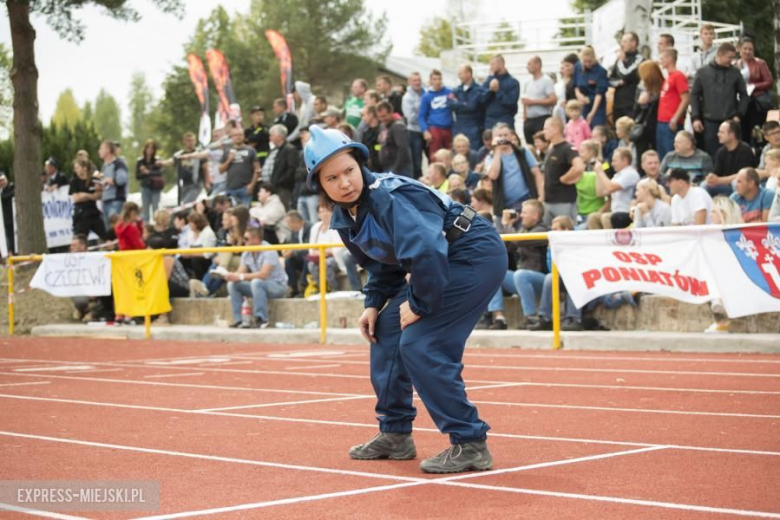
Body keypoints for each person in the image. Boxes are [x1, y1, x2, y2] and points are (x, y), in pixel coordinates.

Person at [303, 124, 506, 473]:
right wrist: (372, 303)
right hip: (437, 260)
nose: (345, 183)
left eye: (349, 171)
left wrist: (418, 305)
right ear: (320, 185)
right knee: (385, 331)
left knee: (422, 344)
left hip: (471, 252)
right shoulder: (344, 216)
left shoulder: (387, 196)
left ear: (361, 165)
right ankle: (395, 435)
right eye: (332, 178)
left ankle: (470, 441)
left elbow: (426, 252)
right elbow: (381, 264)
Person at [484, 200, 549, 330]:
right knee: (493, 271)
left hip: (542, 281)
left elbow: (519, 241)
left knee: (521, 274)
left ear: (535, 215)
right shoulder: (522, 230)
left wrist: (507, 225)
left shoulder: (543, 230)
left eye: (524, 212)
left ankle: (531, 316)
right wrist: (505, 226)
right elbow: (506, 247)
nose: (521, 215)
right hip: (520, 279)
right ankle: (499, 317)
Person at [691, 43, 749, 158]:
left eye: (733, 58)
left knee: (734, 154)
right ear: (720, 55)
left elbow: (744, 95)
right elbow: (694, 95)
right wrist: (696, 117)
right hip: (710, 121)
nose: (731, 61)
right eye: (729, 57)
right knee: (711, 155)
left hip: (730, 120)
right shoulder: (702, 72)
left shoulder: (735, 72)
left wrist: (739, 114)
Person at [226, 226, 288, 329]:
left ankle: (261, 319)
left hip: (277, 286)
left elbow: (264, 274)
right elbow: (240, 271)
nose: (244, 242)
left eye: (246, 239)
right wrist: (231, 276)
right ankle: (240, 320)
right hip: (259, 286)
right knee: (232, 284)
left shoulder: (268, 250)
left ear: (256, 239)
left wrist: (241, 276)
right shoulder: (247, 252)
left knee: (256, 282)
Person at [528, 215, 582, 331]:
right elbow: (551, 269)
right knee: (550, 277)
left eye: (556, 229)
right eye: (552, 229)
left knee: (573, 276)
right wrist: (550, 250)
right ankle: (544, 318)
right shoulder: (554, 244)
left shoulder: (579, 241)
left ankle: (574, 319)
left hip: (581, 279)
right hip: (564, 278)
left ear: (566, 230)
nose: (552, 232)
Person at [485, 123, 544, 220]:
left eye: (505, 135)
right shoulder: (490, 157)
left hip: (525, 201)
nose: (503, 138)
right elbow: (493, 175)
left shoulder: (523, 152)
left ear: (511, 136)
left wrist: (541, 197)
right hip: (503, 205)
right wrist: (497, 150)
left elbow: (537, 173)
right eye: (499, 136)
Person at [542, 117, 585, 225]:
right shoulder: (551, 148)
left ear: (556, 129)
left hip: (564, 200)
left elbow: (579, 166)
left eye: (546, 128)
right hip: (548, 200)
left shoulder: (567, 148)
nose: (544, 132)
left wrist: (565, 178)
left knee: (566, 232)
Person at [735, 36, 774, 146]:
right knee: (743, 130)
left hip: (756, 103)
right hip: (741, 103)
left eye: (750, 49)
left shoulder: (760, 63)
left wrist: (753, 86)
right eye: (745, 48)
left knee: (757, 131)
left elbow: (769, 82)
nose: (747, 51)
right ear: (739, 49)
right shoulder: (735, 65)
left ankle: (758, 151)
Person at [589, 148, 640, 229]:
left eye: (615, 160)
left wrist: (600, 172)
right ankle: (598, 241)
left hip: (627, 213)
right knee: (593, 217)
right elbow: (600, 193)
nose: (612, 164)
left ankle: (610, 241)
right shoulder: (617, 176)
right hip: (614, 212)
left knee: (606, 217)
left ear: (625, 160)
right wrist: (598, 173)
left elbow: (610, 188)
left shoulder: (631, 173)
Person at [705, 120, 755, 197]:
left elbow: (744, 174)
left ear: (732, 135)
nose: (718, 134)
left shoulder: (745, 150)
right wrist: (711, 176)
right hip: (725, 185)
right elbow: (717, 172)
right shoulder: (720, 151)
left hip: (741, 185)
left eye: (722, 132)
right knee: (704, 184)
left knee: (736, 183)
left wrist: (719, 180)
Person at [657, 49, 690, 160]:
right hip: (662, 121)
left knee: (671, 155)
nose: (660, 61)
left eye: (662, 58)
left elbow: (685, 98)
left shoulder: (678, 76)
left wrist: (675, 118)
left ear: (669, 59)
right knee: (663, 155)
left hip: (670, 122)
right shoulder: (668, 77)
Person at [448, 63, 486, 151]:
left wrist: (459, 103)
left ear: (469, 73)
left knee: (474, 154)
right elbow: (450, 104)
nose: (459, 76)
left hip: (474, 128)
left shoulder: (479, 89)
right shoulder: (456, 90)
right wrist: (464, 104)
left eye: (461, 73)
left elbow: (472, 106)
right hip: (459, 128)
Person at [418, 69, 453, 160]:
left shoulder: (449, 91)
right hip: (434, 128)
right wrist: (425, 130)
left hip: (448, 128)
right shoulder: (426, 96)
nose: (437, 81)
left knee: (450, 155)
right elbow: (421, 116)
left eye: (439, 79)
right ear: (430, 81)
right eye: (435, 79)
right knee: (435, 156)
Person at [521, 56, 557, 145]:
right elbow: (525, 102)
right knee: (530, 146)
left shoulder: (546, 81)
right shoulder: (527, 82)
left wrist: (533, 102)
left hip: (542, 118)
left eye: (530, 64)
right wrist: (525, 119)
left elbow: (553, 99)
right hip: (529, 120)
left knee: (544, 144)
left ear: (538, 65)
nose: (527, 66)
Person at [221, 126, 260, 207]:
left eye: (240, 135)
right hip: (230, 188)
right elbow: (220, 170)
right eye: (235, 135)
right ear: (231, 137)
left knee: (243, 213)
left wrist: (252, 185)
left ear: (244, 136)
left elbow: (257, 169)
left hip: (245, 188)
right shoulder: (227, 151)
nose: (238, 137)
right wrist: (229, 159)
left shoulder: (251, 150)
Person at [610, 31, 644, 122]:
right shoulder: (619, 60)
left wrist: (621, 61)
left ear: (634, 43)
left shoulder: (640, 60)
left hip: (631, 104)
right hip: (618, 104)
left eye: (625, 41)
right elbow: (609, 79)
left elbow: (626, 75)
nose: (622, 44)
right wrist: (617, 83)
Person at [69, 158, 107, 241]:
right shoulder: (74, 181)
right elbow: (76, 198)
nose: (75, 170)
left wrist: (84, 195)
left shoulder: (93, 179)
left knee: (105, 235)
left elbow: (98, 195)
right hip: (81, 214)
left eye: (77, 168)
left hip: (93, 212)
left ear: (84, 168)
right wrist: (90, 196)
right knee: (79, 238)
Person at [575, 140, 609, 228]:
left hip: (597, 208)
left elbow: (606, 174)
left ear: (591, 152)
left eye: (582, 152)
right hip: (581, 211)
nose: (580, 154)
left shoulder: (604, 164)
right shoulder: (581, 166)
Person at [482, 54, 520, 130]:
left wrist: (498, 91)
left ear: (501, 64)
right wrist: (490, 90)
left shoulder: (513, 82)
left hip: (506, 119)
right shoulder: (488, 81)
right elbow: (481, 99)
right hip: (489, 121)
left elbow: (511, 102)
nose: (491, 67)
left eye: (493, 64)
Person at [265, 124, 299, 210]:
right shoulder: (277, 150)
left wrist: (280, 182)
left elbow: (292, 169)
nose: (270, 138)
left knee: (283, 209)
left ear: (279, 136)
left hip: (284, 188)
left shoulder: (290, 149)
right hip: (275, 187)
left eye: (272, 135)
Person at [573, 46, 608, 128]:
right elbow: (575, 85)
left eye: (590, 61)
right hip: (582, 104)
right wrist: (578, 95)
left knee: (596, 128)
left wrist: (592, 112)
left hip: (596, 105)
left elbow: (599, 93)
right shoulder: (577, 67)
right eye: (585, 61)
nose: (587, 64)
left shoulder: (601, 71)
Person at [97, 139, 128, 226]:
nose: (99, 151)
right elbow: (102, 178)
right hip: (105, 200)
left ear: (108, 150)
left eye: (101, 149)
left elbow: (122, 180)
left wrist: (110, 180)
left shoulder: (119, 164)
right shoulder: (104, 166)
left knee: (116, 225)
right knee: (107, 228)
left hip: (116, 200)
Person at [377, 101, 412, 177]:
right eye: (379, 117)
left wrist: (395, 169)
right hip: (387, 167)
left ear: (391, 113)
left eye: (384, 116)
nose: (382, 119)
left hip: (399, 169)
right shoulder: (383, 126)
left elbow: (403, 149)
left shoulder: (398, 127)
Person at [282, 210, 312, 297]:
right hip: (300, 257)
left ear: (296, 222)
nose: (288, 225)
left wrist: (293, 252)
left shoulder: (310, 227)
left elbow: (309, 248)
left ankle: (303, 286)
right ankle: (293, 288)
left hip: (309, 257)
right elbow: (293, 245)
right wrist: (287, 251)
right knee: (288, 261)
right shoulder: (293, 231)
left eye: (288, 223)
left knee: (308, 258)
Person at [402, 72, 425, 179]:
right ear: (410, 82)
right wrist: (425, 116)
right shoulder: (407, 97)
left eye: (419, 80)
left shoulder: (427, 93)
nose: (417, 83)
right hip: (414, 132)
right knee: (417, 161)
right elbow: (410, 117)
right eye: (414, 80)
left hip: (428, 131)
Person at [135, 139, 164, 222]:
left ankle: (156, 226)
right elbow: (137, 176)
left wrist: (148, 172)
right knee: (145, 211)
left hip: (156, 187)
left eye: (152, 148)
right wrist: (143, 173)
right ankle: (146, 228)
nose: (150, 150)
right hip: (145, 187)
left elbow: (159, 173)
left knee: (156, 209)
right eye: (148, 148)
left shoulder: (157, 160)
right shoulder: (140, 161)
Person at [554, 53, 579, 124]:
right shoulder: (558, 84)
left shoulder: (576, 82)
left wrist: (567, 105)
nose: (565, 68)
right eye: (563, 66)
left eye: (568, 65)